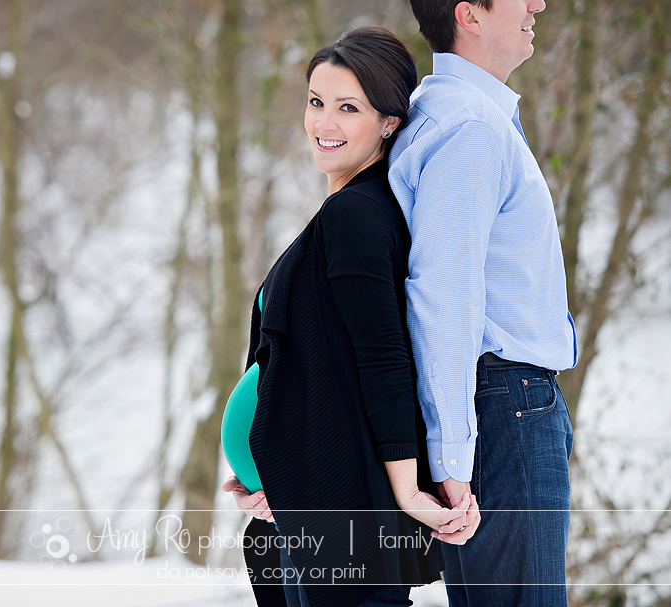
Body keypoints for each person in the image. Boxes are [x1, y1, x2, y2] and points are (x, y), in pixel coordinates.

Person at [220, 27, 481, 607]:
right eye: (316, 103)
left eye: (348, 108)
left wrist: (409, 493)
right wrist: (268, 471)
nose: (324, 124)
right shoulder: (350, 209)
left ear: (389, 121)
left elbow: (384, 358)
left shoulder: (359, 216)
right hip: (308, 499)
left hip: (343, 518)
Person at [387, 1, 577, 605]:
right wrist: (451, 457)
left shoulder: (457, 115)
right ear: (468, 13)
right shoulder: (470, 128)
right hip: (505, 410)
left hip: (501, 408)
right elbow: (443, 296)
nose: (537, 4)